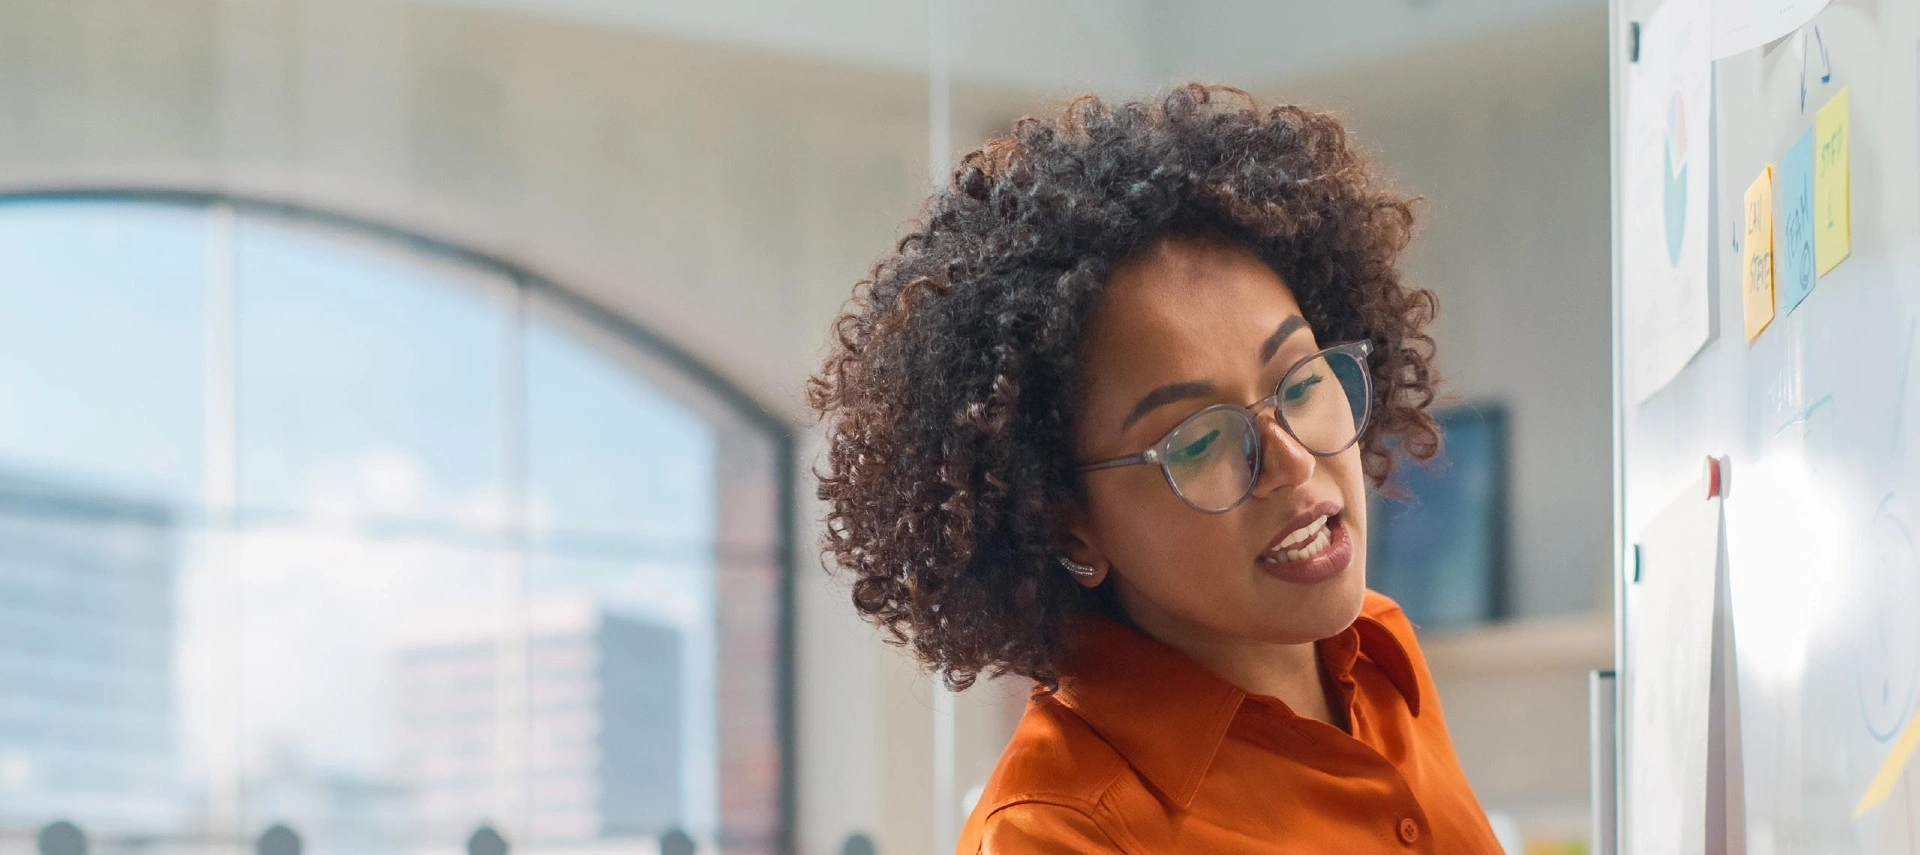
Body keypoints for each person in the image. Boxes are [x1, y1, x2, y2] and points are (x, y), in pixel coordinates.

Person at [808, 83, 1504, 852]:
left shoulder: (1379, 651)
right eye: (1199, 441)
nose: (1293, 461)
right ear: (1066, 519)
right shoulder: (1058, 832)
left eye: (1302, 382)